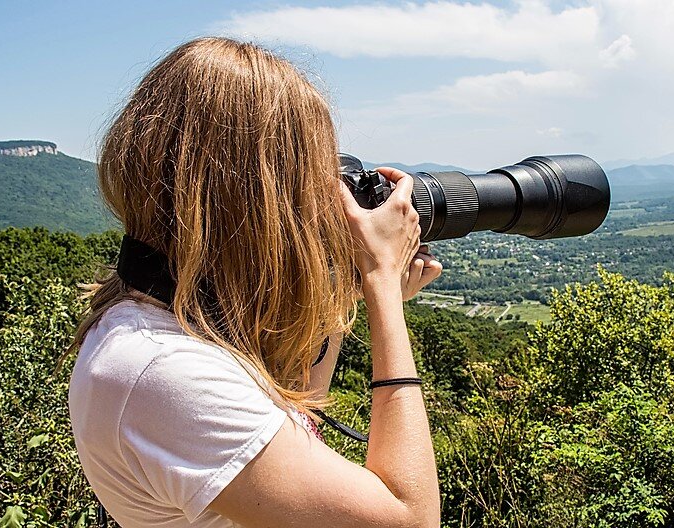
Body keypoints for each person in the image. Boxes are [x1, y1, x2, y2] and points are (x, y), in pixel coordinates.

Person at [67, 37, 443, 527]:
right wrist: (382, 284)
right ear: (257, 193)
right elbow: (411, 519)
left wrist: (342, 295)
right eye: (311, 175)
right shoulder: (163, 373)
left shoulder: (155, 321)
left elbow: (296, 421)